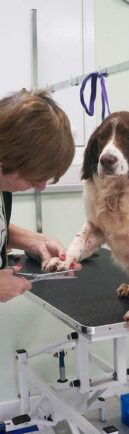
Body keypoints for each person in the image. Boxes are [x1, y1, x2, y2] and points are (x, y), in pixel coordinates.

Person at [0, 89, 77, 303]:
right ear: (5, 163)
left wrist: (36, 241)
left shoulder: (3, 186)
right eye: (34, 179)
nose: (41, 187)